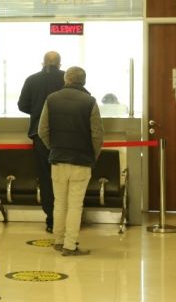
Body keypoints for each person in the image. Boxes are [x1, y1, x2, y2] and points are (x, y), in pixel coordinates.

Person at [38, 66, 104, 256]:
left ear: (66, 79)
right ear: (84, 81)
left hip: (58, 159)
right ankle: (70, 245)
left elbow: (42, 130)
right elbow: (97, 134)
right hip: (81, 160)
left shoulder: (51, 99)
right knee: (75, 205)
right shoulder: (90, 102)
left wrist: (54, 148)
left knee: (59, 203)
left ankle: (59, 240)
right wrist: (93, 155)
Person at [17, 51, 65, 233]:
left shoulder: (32, 79)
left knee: (46, 177)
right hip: (64, 134)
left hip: (39, 134)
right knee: (65, 176)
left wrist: (37, 111)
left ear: (42, 63)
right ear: (59, 64)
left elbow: (22, 105)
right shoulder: (67, 79)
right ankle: (67, 218)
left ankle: (51, 219)